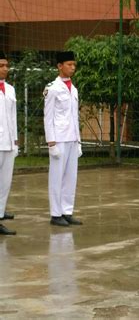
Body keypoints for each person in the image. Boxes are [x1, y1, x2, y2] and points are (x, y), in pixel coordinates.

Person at [43, 51, 82, 227]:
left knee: (70, 177)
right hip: (58, 139)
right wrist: (51, 142)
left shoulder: (73, 88)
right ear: (59, 66)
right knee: (56, 177)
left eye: (74, 64)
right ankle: (55, 213)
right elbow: (48, 116)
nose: (72, 67)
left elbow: (75, 117)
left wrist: (78, 141)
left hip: (72, 138)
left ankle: (67, 211)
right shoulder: (52, 88)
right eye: (69, 64)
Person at [0, 51, 18, 236]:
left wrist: (16, 141)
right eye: (1, 66)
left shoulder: (11, 89)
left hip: (8, 143)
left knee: (5, 182)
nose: (5, 69)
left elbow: (13, 117)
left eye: (6, 66)